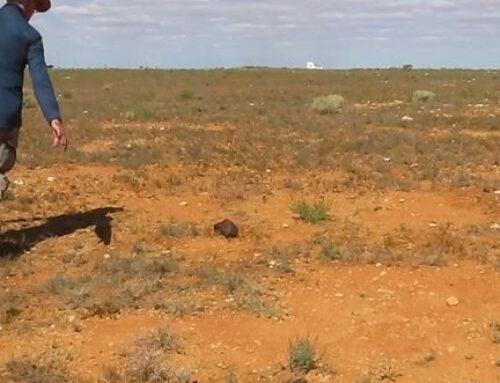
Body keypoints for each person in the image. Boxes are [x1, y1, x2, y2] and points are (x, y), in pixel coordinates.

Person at [0, 0, 68, 200]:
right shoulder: (29, 35)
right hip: (5, 116)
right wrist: (53, 117)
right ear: (29, 4)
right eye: (36, 7)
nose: (35, 12)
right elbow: (40, 79)